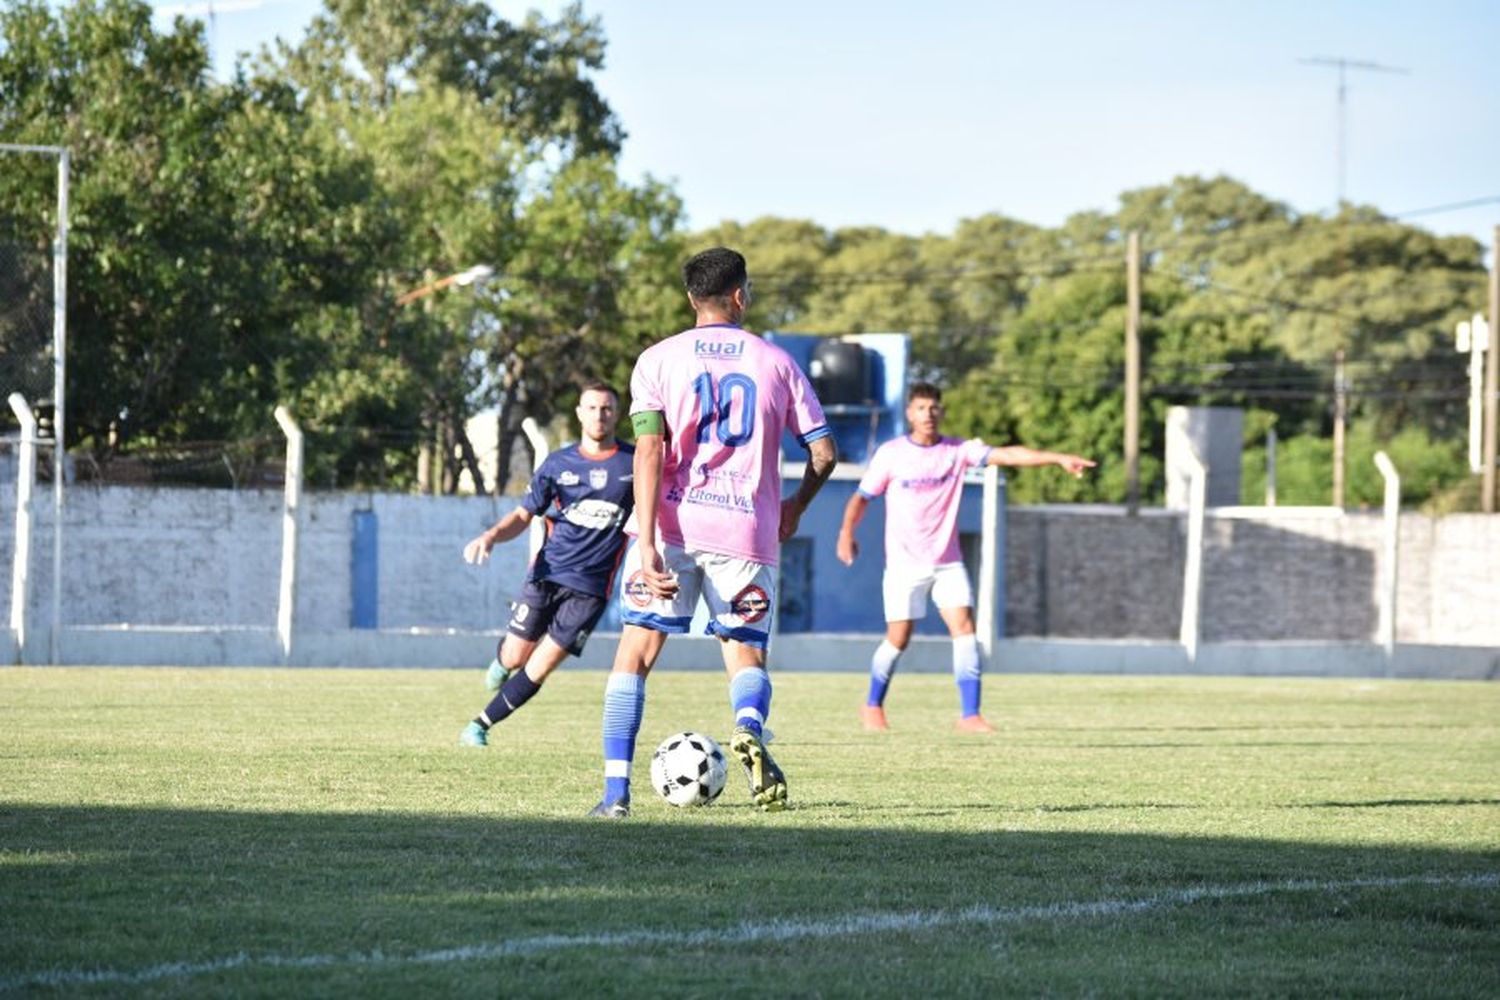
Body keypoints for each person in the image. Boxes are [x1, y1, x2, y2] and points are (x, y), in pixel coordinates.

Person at [590, 247, 839, 818]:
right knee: (745, 654)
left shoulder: (656, 360)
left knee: (635, 653)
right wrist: (796, 505)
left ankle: (615, 794)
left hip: (674, 525)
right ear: (740, 296)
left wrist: (647, 538)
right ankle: (748, 726)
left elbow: (649, 449)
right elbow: (823, 453)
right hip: (746, 531)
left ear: (690, 298)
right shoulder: (776, 363)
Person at [836, 382, 1094, 733]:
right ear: (910, 414)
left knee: (965, 631)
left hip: (947, 562)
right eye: (921, 408)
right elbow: (861, 498)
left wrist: (1058, 458)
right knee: (899, 638)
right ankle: (872, 706)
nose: (929, 414)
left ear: (941, 412)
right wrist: (846, 533)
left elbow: (1009, 455)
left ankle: (969, 715)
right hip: (903, 564)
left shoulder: (957, 450)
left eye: (934, 408)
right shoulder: (891, 454)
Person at [458, 381, 634, 747]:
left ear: (616, 414)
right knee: (516, 655)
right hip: (546, 576)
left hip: (590, 591)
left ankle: (479, 726)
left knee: (540, 665)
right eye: (592, 408)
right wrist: (491, 536)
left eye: (606, 409)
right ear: (579, 413)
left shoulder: (634, 464)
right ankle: (503, 663)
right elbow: (524, 515)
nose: (599, 415)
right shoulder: (558, 464)